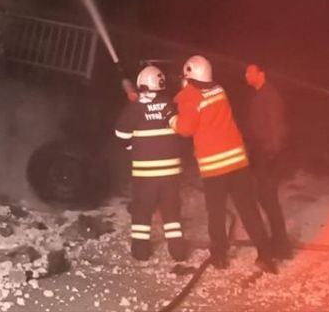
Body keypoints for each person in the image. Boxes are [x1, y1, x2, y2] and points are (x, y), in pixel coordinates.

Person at [170, 55, 277, 273]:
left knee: (216, 212)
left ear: (189, 75)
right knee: (248, 209)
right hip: (237, 161)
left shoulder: (190, 95)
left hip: (215, 166)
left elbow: (185, 129)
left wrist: (171, 117)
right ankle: (265, 255)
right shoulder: (219, 89)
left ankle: (220, 255)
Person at [114, 65, 188, 262]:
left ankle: (140, 252)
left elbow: (121, 135)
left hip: (146, 174)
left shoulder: (135, 108)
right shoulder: (170, 104)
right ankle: (178, 252)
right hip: (171, 173)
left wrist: (132, 146)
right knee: (171, 211)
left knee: (142, 211)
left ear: (142, 84)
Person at [243, 63, 292, 260]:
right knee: (266, 199)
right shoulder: (261, 95)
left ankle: (281, 246)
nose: (246, 75)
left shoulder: (269, 96)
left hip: (268, 155)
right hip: (262, 154)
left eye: (249, 71)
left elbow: (276, 126)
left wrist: (271, 153)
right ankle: (279, 242)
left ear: (261, 74)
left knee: (268, 199)